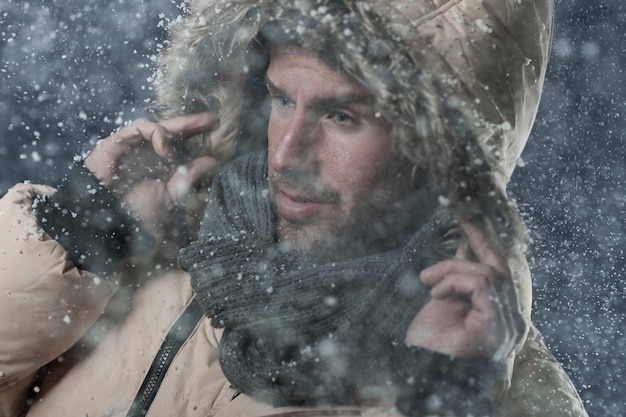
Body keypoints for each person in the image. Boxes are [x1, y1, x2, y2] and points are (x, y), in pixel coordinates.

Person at [0, 1, 588, 416]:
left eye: (342, 117)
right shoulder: (164, 244)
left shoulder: (488, 385)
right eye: (282, 99)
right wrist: (80, 232)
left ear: (440, 152)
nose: (285, 155)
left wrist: (442, 395)